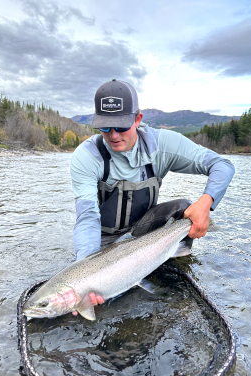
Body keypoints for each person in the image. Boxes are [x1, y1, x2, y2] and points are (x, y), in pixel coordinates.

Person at [70, 78, 235, 314]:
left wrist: (206, 203)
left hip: (143, 234)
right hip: (104, 245)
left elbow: (222, 164)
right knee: (107, 304)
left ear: (138, 119)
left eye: (121, 126)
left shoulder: (162, 144)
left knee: (183, 208)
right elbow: (86, 216)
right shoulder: (86, 156)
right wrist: (86, 271)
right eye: (105, 127)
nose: (113, 135)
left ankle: (175, 269)